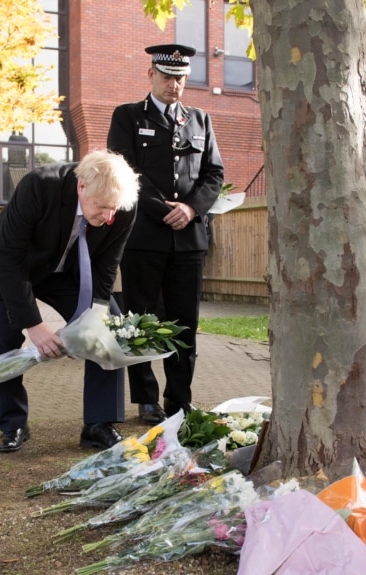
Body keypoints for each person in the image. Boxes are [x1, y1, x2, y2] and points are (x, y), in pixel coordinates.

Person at [0, 149, 139, 453]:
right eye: (101, 207)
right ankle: (13, 423)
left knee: (109, 327)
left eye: (114, 209)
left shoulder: (121, 206)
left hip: (64, 273)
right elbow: (9, 259)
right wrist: (34, 325)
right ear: (81, 186)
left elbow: (108, 264)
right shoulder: (38, 186)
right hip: (10, 269)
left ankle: (98, 424)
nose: (109, 217)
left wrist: (89, 321)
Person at [106, 44, 225, 425]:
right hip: (144, 237)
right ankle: (146, 400)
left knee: (184, 323)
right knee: (140, 321)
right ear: (151, 75)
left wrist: (191, 209)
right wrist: (164, 210)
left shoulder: (200, 119)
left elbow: (213, 174)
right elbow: (126, 173)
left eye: (181, 78)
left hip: (188, 240)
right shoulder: (126, 116)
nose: (175, 84)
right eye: (168, 76)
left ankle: (179, 399)